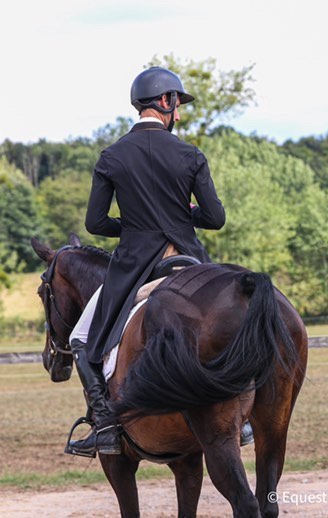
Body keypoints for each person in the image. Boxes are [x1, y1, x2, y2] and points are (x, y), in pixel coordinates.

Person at [66, 66, 226, 457]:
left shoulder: (112, 155)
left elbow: (96, 222)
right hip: (188, 261)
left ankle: (104, 424)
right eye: (178, 105)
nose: (180, 114)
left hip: (134, 265)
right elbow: (216, 218)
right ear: (167, 102)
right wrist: (183, 215)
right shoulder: (190, 154)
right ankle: (245, 419)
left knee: (82, 340)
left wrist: (135, 226)